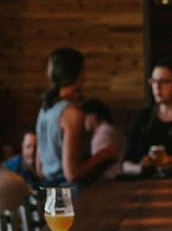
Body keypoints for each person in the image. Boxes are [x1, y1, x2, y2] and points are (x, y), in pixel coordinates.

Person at [35, 48, 117, 189]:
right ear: (79, 74)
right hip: (71, 196)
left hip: (49, 195)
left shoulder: (45, 110)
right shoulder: (72, 114)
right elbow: (72, 174)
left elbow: (39, 168)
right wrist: (103, 155)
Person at [82, 98, 124, 179]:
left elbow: (100, 162)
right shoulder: (109, 129)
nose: (83, 121)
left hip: (109, 179)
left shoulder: (103, 134)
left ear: (93, 116)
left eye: (85, 117)